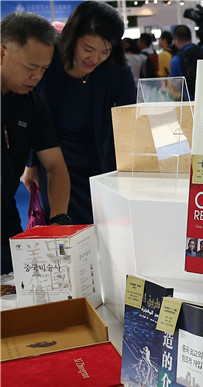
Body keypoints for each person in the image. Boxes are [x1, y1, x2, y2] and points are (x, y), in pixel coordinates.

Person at [23, 2, 136, 227]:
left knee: (102, 231)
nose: (95, 58)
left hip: (101, 166)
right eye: (88, 49)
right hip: (55, 164)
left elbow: (128, 124)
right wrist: (31, 163)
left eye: (105, 51)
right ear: (72, 38)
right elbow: (32, 114)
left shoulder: (118, 73)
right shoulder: (49, 63)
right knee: (62, 229)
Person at [1, 12, 71, 274]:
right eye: (31, 67)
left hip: (6, 221)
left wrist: (59, 222)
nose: (37, 77)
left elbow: (55, 166)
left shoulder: (31, 103)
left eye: (44, 69)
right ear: (2, 54)